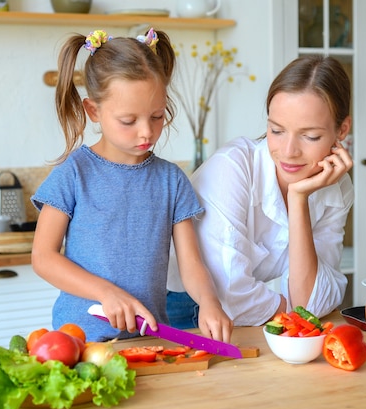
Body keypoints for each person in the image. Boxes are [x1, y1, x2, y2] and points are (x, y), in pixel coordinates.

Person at [31, 28, 233, 343]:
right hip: (78, 342)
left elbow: (191, 263)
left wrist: (209, 301)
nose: (146, 132)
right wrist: (106, 293)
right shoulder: (74, 174)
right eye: (129, 121)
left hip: (149, 340)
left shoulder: (171, 180)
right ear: (93, 110)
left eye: (156, 116)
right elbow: (43, 257)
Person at [167, 55, 354, 327]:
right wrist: (294, 310)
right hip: (182, 308)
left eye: (310, 136)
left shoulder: (336, 187)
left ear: (342, 129)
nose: (289, 152)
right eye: (276, 130)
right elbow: (232, 295)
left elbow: (312, 301)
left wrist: (298, 199)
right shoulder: (232, 169)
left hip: (255, 314)